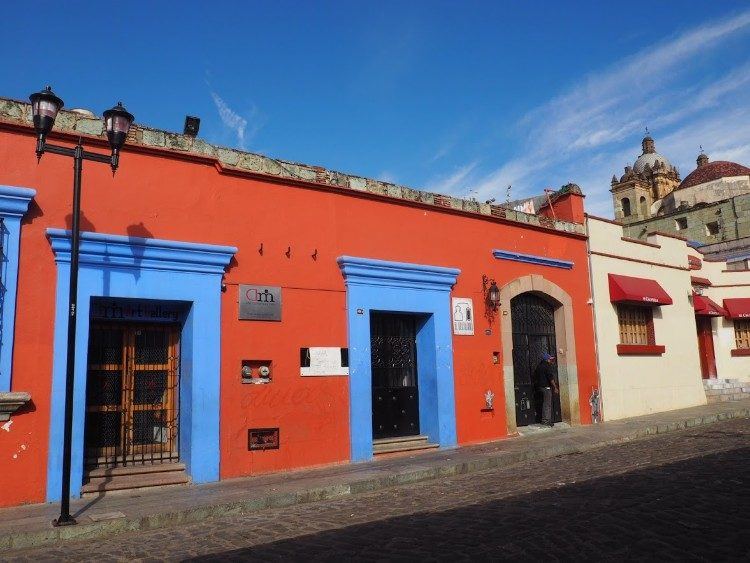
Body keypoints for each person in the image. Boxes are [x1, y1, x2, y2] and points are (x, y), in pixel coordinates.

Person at [533, 352, 559, 427]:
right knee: (547, 404)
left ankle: (544, 419)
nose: (551, 361)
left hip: (540, 387)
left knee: (544, 403)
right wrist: (555, 387)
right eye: (550, 359)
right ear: (547, 359)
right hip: (546, 387)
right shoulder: (547, 366)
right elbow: (550, 378)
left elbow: (536, 377)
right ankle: (546, 420)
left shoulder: (539, 366)